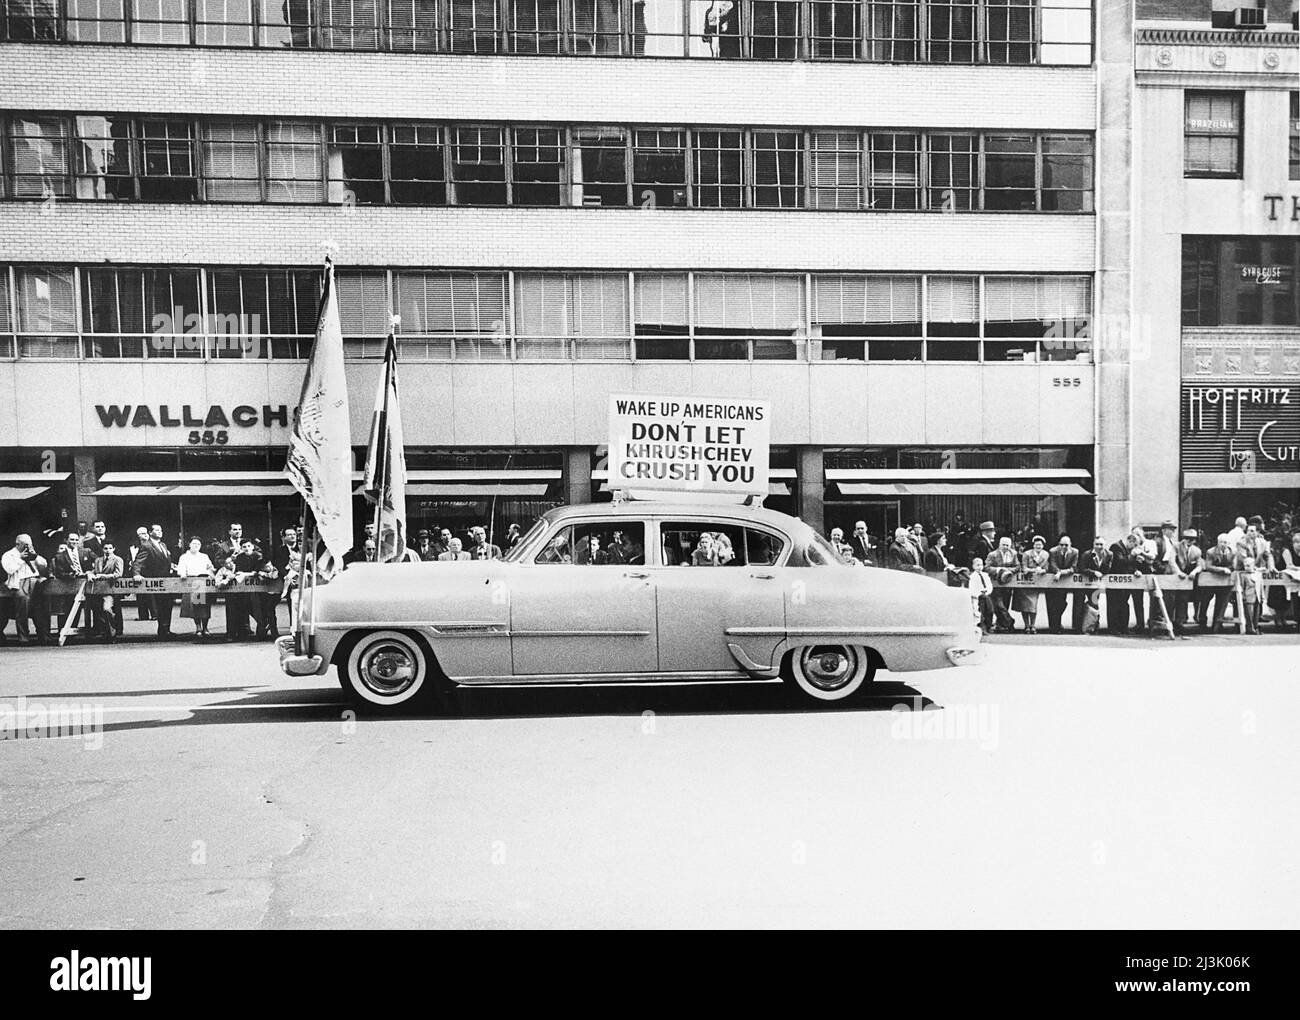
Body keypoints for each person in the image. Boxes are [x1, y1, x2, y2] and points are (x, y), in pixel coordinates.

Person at [131, 523, 175, 637]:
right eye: (157, 530)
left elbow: (165, 561)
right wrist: (136, 574)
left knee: (168, 604)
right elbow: (138, 562)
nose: (160, 532)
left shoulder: (163, 545)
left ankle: (166, 629)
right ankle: (163, 631)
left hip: (167, 580)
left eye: (161, 530)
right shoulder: (147, 545)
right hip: (155, 580)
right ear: (150, 533)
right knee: (160, 605)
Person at [1, 534, 44, 644]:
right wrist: (20, 559)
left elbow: (44, 565)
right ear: (18, 544)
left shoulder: (31, 553)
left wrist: (35, 556)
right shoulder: (9, 555)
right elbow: (10, 569)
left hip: (34, 581)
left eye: (30, 545)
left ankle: (44, 635)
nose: (28, 547)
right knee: (22, 603)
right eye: (25, 545)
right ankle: (24, 637)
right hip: (18, 582)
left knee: (41, 605)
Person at [176, 536, 216, 638]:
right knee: (195, 606)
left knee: (205, 606)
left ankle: (205, 628)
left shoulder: (204, 556)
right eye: (194, 544)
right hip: (192, 582)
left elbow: (210, 568)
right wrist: (183, 574)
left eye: (198, 544)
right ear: (189, 545)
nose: (196, 546)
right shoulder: (184, 557)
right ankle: (198, 627)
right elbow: (181, 569)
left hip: (203, 582)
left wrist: (211, 572)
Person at [87, 540, 124, 643]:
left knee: (107, 609)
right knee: (98, 611)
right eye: (106, 548)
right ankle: (105, 633)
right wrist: (89, 574)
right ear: (103, 549)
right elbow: (94, 571)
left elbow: (118, 574)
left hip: (110, 590)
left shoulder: (117, 559)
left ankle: (112, 634)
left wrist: (104, 576)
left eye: (110, 548)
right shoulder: (98, 560)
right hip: (98, 591)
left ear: (114, 549)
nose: (108, 550)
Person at [1200, 534, 1237, 633]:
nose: (1223, 544)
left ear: (1228, 543)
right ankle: (1202, 623)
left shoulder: (1232, 552)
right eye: (1221, 542)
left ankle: (1217, 625)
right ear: (1217, 542)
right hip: (1211, 581)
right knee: (1205, 601)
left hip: (1224, 582)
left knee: (1221, 603)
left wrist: (1228, 570)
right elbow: (1208, 566)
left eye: (1225, 542)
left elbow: (1234, 566)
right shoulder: (1210, 552)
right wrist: (1222, 570)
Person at [1106, 532, 1142, 634]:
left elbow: (1128, 565)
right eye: (1134, 545)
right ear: (1130, 541)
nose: (1134, 548)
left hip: (1124, 582)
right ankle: (1113, 628)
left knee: (1124, 604)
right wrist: (1132, 556)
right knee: (1114, 605)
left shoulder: (1126, 549)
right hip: (1115, 581)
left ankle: (1123, 628)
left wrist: (1135, 570)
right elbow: (1120, 562)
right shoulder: (1116, 547)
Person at [1171, 529, 1203, 636]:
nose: (1189, 541)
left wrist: (1194, 572)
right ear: (1183, 539)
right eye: (1187, 538)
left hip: (1187, 579)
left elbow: (1200, 565)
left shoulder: (1197, 551)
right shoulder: (1176, 547)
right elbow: (1171, 562)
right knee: (1172, 600)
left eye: (1192, 539)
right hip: (1175, 577)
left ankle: (1180, 622)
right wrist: (1178, 572)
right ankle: (1172, 622)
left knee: (1184, 599)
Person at [1045, 535, 1079, 634]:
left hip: (1064, 580)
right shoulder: (1053, 551)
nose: (1064, 547)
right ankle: (1054, 626)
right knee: (1053, 605)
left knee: (1062, 603)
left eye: (1066, 545)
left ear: (1070, 544)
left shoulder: (1075, 552)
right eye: (1061, 545)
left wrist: (1061, 573)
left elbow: (1074, 568)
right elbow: (1053, 565)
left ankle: (1057, 623)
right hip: (1053, 581)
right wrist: (1057, 572)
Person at [984, 536, 1020, 633]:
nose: (1005, 547)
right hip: (995, 583)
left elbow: (1017, 567)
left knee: (1005, 604)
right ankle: (1010, 622)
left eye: (1007, 545)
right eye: (1003, 545)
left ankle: (1001, 626)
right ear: (999, 545)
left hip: (1008, 582)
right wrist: (999, 570)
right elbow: (986, 567)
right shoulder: (992, 554)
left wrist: (1008, 570)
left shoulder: (1014, 553)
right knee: (998, 605)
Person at [1016, 535, 1049, 634]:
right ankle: (1026, 625)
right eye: (1036, 545)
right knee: (1024, 605)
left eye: (1040, 545)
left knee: (1033, 605)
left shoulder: (1046, 554)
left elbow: (1047, 567)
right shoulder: (1026, 554)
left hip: (1036, 583)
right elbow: (1024, 568)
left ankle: (1033, 625)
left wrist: (1043, 570)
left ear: (1043, 546)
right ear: (1033, 545)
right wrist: (1034, 570)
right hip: (1026, 582)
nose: (1038, 547)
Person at [1078, 536, 1111, 632]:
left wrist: (1102, 574)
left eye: (1101, 544)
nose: (1099, 546)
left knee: (1095, 603)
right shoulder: (1086, 554)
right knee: (1081, 604)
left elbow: (1108, 568)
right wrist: (1093, 572)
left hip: (1097, 585)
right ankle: (1081, 626)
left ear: (1104, 545)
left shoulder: (1109, 554)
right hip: (1085, 584)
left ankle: (1094, 625)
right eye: (1097, 544)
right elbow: (1082, 568)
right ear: (1093, 544)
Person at [967, 556, 994, 633]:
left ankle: (988, 626)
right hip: (978, 597)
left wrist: (987, 591)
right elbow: (971, 588)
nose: (980, 567)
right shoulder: (972, 577)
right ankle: (982, 628)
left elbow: (989, 586)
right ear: (973, 566)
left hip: (986, 595)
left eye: (981, 565)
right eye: (977, 565)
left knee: (990, 610)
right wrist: (979, 594)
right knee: (980, 613)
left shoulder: (985, 575)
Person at [1239, 555, 1263, 635]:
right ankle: (1250, 628)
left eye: (1248, 565)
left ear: (1253, 565)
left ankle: (1256, 628)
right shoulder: (1243, 575)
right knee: (1249, 614)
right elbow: (1242, 587)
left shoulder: (1258, 574)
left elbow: (1261, 586)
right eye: (1245, 566)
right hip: (1248, 597)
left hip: (1257, 597)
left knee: (1257, 614)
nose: (1246, 567)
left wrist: (1262, 596)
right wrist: (1243, 597)